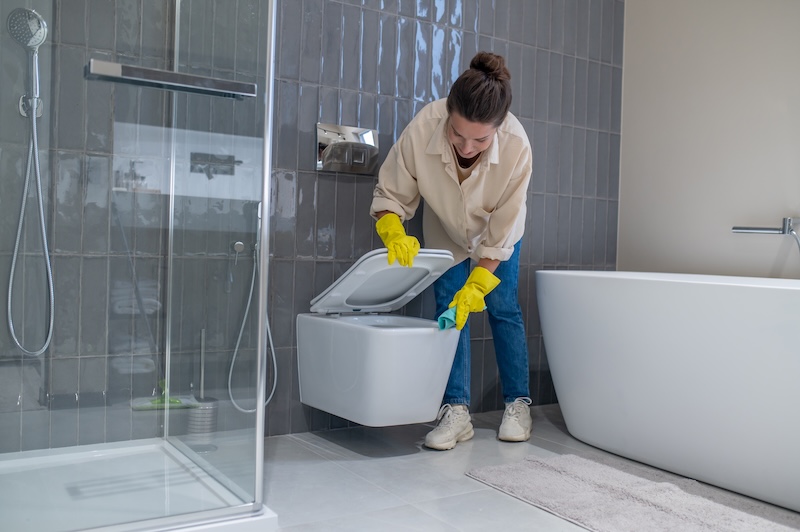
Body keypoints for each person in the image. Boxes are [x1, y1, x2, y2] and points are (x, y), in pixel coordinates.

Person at [370, 51, 533, 451]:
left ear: (499, 127)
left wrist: (478, 285)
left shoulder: (516, 147)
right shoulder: (425, 125)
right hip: (444, 229)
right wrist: (393, 231)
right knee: (449, 311)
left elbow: (503, 230)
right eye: (458, 135)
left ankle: (518, 403)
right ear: (448, 113)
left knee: (502, 307)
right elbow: (392, 192)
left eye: (481, 139)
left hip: (496, 236)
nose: (466, 146)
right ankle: (456, 411)